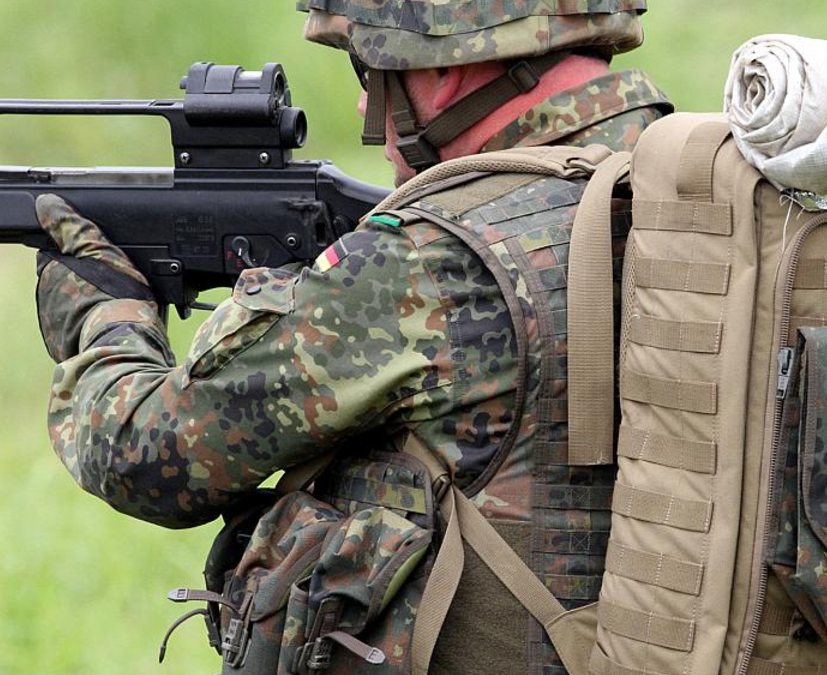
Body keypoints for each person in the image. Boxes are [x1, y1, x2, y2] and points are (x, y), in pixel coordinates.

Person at [33, 2, 672, 673]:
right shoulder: (704, 196)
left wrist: (105, 312)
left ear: (442, 66)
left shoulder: (425, 264)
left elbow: (144, 452)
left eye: (367, 65)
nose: (369, 97)